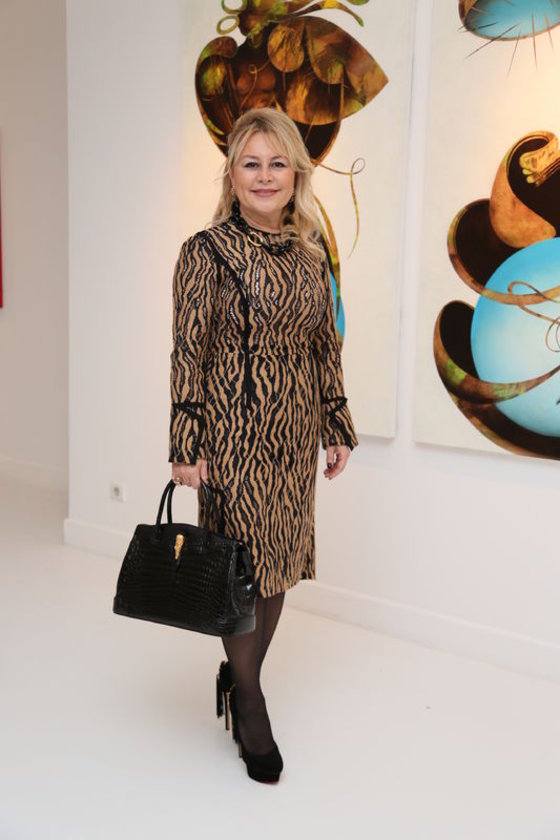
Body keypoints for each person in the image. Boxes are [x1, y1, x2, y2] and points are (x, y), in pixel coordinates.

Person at [168, 107, 358, 783]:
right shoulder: (206, 251)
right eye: (252, 163)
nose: (266, 175)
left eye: (278, 163)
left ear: (296, 173)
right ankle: (250, 701)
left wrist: (336, 424)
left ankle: (239, 673)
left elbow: (324, 347)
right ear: (232, 174)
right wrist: (186, 443)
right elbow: (188, 352)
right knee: (240, 568)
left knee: (277, 563)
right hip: (232, 436)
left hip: (293, 435)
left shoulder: (310, 256)